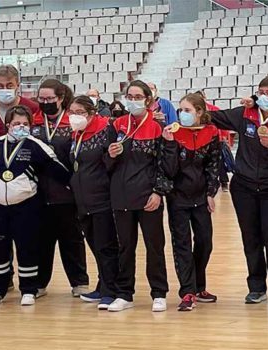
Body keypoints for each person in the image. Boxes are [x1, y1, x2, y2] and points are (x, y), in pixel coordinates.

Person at [209, 75, 268, 305]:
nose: (264, 97)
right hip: (244, 186)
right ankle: (256, 287)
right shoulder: (244, 114)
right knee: (251, 238)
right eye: (261, 92)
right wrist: (195, 108)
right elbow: (214, 117)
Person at [0, 105, 70, 306]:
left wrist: (74, 184)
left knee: (27, 247)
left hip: (27, 206)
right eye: (17, 124)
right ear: (8, 125)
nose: (21, 127)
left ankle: (28, 289)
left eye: (25, 124)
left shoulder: (35, 145)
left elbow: (56, 168)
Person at [104, 80, 171, 312]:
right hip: (121, 195)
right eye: (129, 96)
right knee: (125, 246)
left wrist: (158, 191)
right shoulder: (117, 125)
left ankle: (159, 292)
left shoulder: (158, 125)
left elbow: (166, 163)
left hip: (148, 196)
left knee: (154, 245)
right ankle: (124, 293)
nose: (132, 101)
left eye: (137, 97)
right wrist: (111, 155)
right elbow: (106, 163)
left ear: (148, 100)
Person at [161, 93, 221, 311]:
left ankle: (198, 285)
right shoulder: (173, 134)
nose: (182, 114)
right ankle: (187, 291)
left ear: (199, 112)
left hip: (200, 196)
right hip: (178, 197)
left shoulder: (211, 133)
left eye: (187, 110)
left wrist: (210, 193)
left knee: (205, 241)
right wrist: (169, 145)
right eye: (180, 110)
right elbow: (168, 170)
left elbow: (214, 165)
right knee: (182, 244)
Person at [32, 79, 89, 297]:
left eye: (50, 99)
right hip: (38, 193)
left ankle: (79, 282)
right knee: (41, 241)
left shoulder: (72, 122)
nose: (45, 102)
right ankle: (39, 283)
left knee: (72, 240)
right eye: (41, 98)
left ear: (61, 98)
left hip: (67, 193)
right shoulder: (33, 121)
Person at [67, 96, 119, 310]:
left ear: (91, 113)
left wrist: (112, 156)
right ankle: (102, 284)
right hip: (82, 199)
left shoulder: (105, 130)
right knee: (95, 245)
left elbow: (110, 161)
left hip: (102, 198)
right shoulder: (76, 134)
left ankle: (111, 289)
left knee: (106, 246)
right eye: (71, 111)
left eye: (79, 112)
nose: (74, 116)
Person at [0, 64, 39, 158]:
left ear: (17, 85)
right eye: (0, 86)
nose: (5, 89)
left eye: (9, 86)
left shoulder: (32, 108)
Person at [196, 89, 231, 191]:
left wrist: (225, 138)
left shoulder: (214, 109)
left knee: (219, 162)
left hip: (216, 139)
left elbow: (223, 124)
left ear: (204, 98)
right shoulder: (194, 112)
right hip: (201, 141)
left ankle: (224, 182)